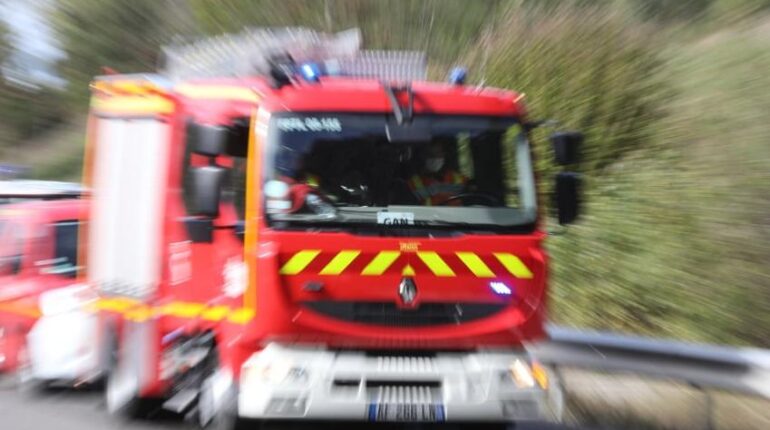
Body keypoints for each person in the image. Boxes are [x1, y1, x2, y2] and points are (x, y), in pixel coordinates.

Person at [409, 141, 466, 206]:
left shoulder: (460, 179)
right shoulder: (413, 183)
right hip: (426, 216)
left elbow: (471, 203)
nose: (434, 158)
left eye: (438, 154)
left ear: (444, 155)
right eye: (430, 155)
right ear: (423, 157)